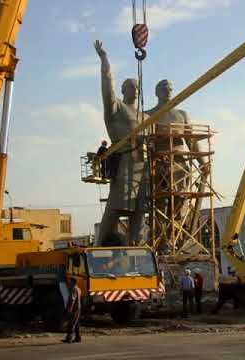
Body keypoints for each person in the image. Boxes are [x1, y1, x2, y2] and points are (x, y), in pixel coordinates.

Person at [94, 40, 148, 245]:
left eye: (137, 86)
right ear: (124, 90)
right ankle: (99, 247)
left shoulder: (144, 115)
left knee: (140, 210)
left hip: (143, 165)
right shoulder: (116, 108)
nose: (136, 89)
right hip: (124, 162)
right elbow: (107, 87)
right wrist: (104, 59)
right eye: (131, 86)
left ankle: (135, 248)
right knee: (116, 207)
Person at [146, 80, 209, 252]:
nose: (168, 91)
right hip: (158, 163)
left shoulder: (182, 114)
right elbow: (144, 143)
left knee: (179, 203)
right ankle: (159, 242)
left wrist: (203, 163)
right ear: (157, 92)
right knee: (158, 205)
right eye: (164, 88)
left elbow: (191, 141)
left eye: (170, 89)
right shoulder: (148, 115)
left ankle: (175, 241)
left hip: (180, 164)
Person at [63, 277, 82, 343]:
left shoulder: (73, 289)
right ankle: (78, 338)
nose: (68, 282)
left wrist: (69, 309)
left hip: (74, 309)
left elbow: (72, 300)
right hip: (78, 308)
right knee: (76, 324)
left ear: (73, 282)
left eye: (70, 281)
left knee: (71, 324)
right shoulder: (78, 289)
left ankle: (69, 339)